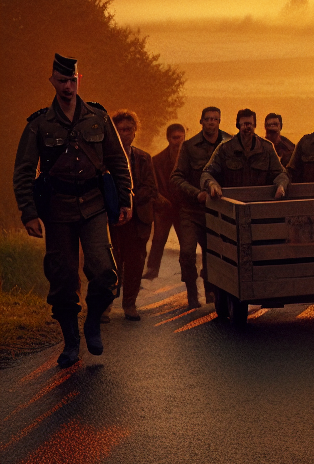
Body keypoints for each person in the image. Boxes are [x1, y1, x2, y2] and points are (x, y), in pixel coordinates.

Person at [13, 54, 132, 366]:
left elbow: (118, 162)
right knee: (63, 278)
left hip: (93, 206)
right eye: (61, 80)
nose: (67, 86)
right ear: (52, 81)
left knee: (104, 272)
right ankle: (71, 342)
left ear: (79, 80)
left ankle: (92, 323)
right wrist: (29, 212)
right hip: (57, 210)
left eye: (72, 80)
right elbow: (23, 170)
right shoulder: (39, 124)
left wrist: (126, 200)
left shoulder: (98, 118)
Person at [171, 107, 229, 309]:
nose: (211, 122)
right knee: (187, 253)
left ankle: (212, 292)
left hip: (219, 212)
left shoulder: (229, 145)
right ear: (201, 121)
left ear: (220, 121)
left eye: (215, 119)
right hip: (191, 210)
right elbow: (176, 177)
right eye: (208, 119)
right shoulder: (189, 146)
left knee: (214, 255)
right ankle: (191, 292)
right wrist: (197, 193)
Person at [110, 110, 159, 320]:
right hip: (113, 219)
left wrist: (129, 202)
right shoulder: (104, 159)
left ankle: (130, 304)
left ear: (135, 131)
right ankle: (106, 305)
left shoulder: (144, 158)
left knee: (135, 263)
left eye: (128, 129)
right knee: (110, 262)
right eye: (120, 130)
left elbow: (151, 187)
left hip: (138, 219)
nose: (124, 134)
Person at [201, 108, 289, 198]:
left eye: (250, 124)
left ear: (255, 125)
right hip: (232, 202)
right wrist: (212, 184)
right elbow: (206, 174)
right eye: (244, 124)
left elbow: (281, 174)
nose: (247, 128)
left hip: (259, 202)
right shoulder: (225, 149)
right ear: (238, 126)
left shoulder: (266, 148)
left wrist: (281, 186)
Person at [144, 122, 186, 280]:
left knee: (185, 241)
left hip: (182, 207)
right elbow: (152, 184)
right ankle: (152, 269)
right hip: (164, 206)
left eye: (180, 138)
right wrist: (160, 199)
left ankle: (187, 269)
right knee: (158, 239)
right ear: (168, 138)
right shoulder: (157, 160)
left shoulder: (189, 159)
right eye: (175, 138)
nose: (178, 141)